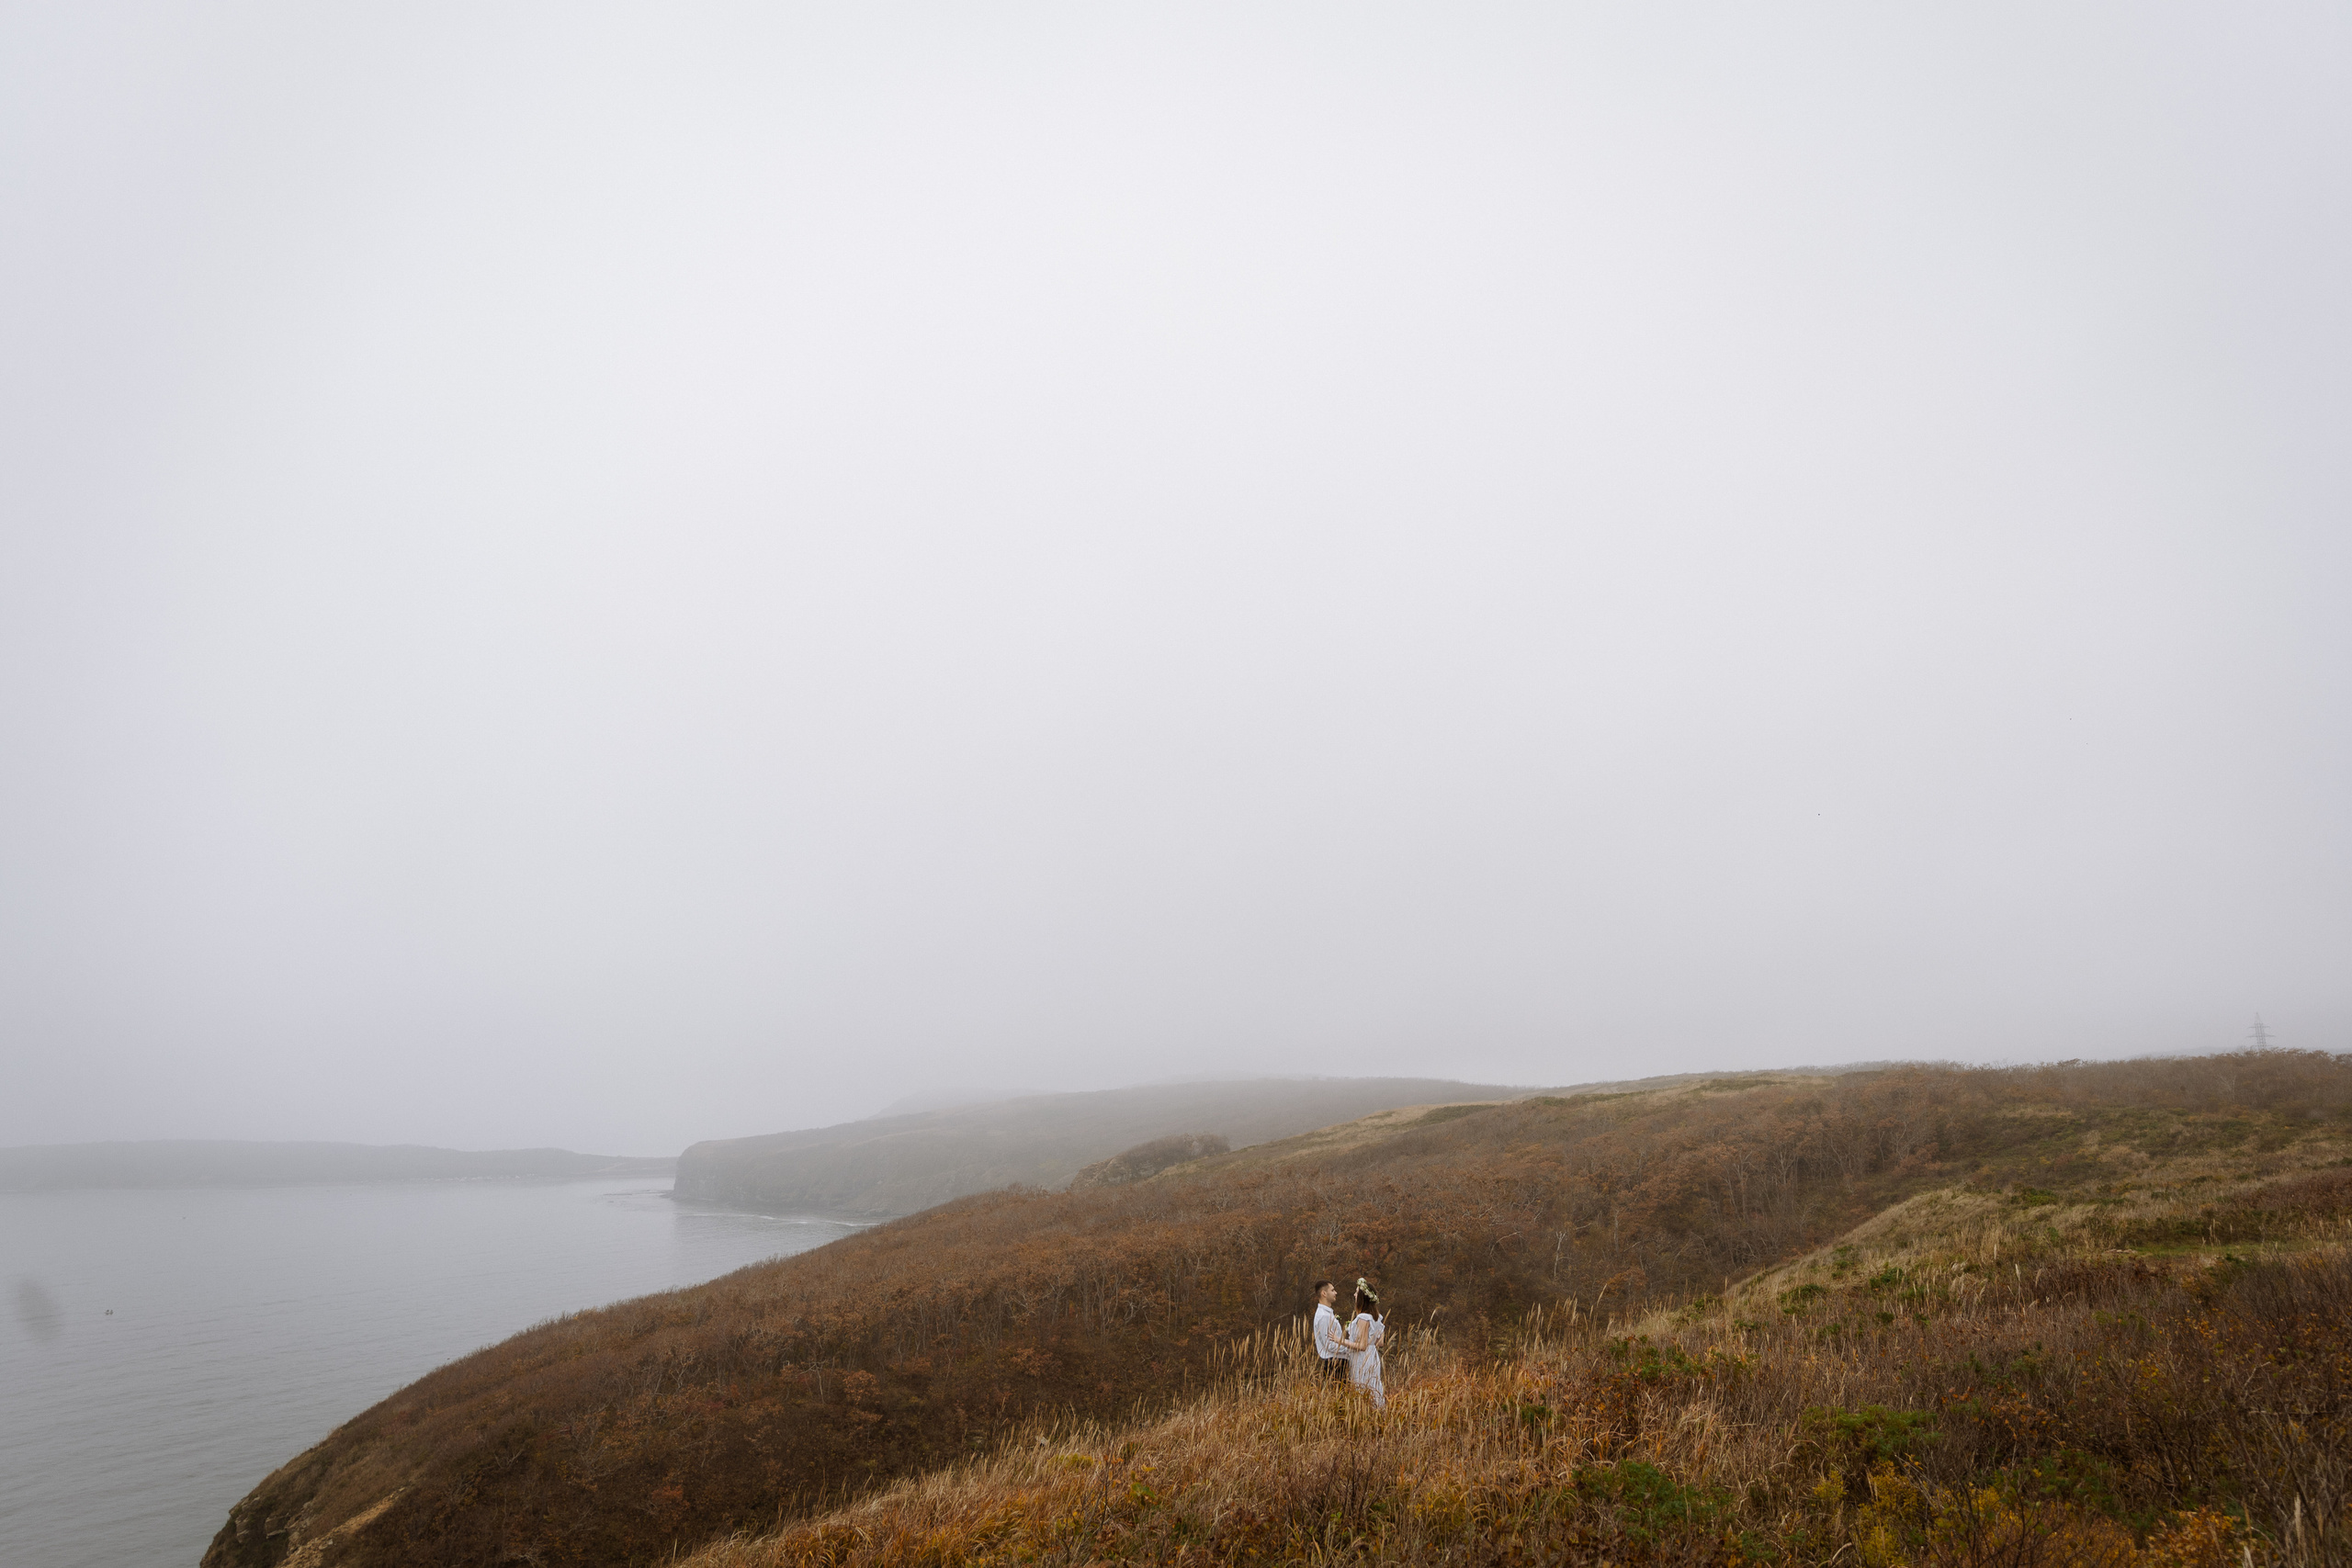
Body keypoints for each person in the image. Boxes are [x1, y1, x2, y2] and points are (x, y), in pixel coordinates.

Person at [1340, 1277, 1386, 1409]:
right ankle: (1377, 1413)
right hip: (1372, 1356)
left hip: (1362, 1359)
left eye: (1356, 1292)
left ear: (1362, 1298)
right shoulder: (1376, 1317)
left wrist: (1340, 1341)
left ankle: (1366, 1415)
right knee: (1373, 1385)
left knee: (1362, 1386)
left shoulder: (1363, 1318)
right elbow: (1381, 1343)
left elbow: (1362, 1346)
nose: (1354, 1295)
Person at [1310, 1280, 1350, 1380]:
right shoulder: (1324, 1316)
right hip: (1334, 1364)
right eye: (1332, 1290)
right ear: (1324, 1293)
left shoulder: (1328, 1314)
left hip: (1338, 1362)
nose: (1335, 1293)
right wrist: (1350, 1347)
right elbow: (1329, 1345)